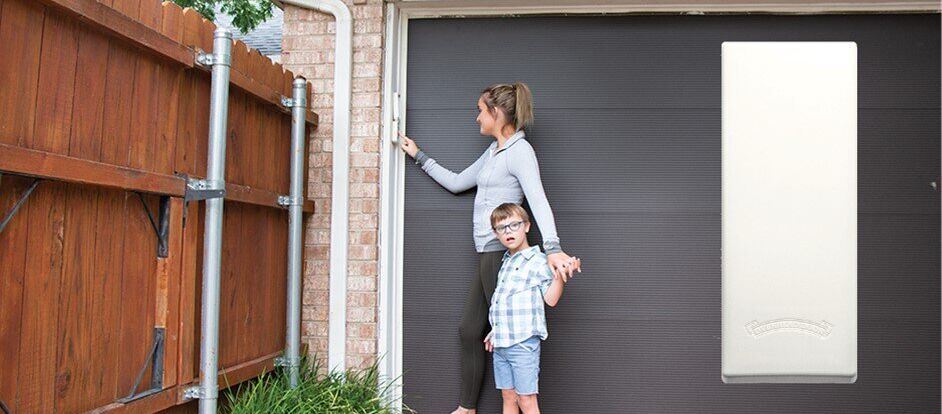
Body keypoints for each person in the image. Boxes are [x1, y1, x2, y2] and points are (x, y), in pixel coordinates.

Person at [397, 82, 583, 413]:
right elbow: (457, 182)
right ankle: (469, 408)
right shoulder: (494, 151)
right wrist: (418, 155)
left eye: (481, 111)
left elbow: (537, 199)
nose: (477, 117)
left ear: (496, 113)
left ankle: (487, 406)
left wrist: (553, 247)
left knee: (501, 336)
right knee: (471, 330)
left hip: (500, 256)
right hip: (487, 254)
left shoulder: (520, 152)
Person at [483, 203, 565, 414]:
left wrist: (561, 277)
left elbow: (551, 299)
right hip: (501, 343)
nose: (508, 231)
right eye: (502, 228)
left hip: (523, 343)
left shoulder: (538, 261)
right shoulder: (506, 261)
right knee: (508, 396)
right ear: (496, 233)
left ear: (526, 226)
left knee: (526, 399)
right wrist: (495, 330)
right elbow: (506, 301)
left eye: (514, 225)